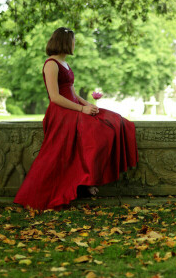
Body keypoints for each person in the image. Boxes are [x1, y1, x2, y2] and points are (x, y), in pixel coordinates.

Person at [13, 27, 139, 211]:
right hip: (61, 112)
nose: (74, 44)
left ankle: (88, 177)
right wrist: (82, 109)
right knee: (96, 130)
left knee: (114, 120)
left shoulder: (65, 64)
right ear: (64, 42)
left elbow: (72, 92)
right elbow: (55, 97)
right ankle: (86, 179)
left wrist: (89, 105)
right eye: (73, 41)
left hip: (74, 107)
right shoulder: (51, 64)